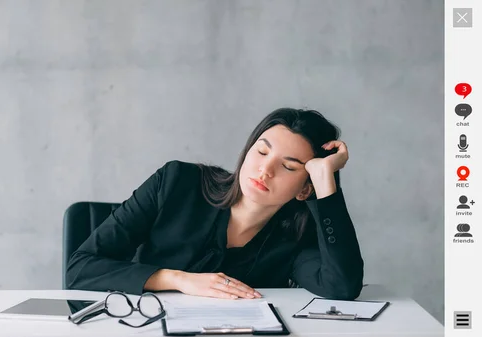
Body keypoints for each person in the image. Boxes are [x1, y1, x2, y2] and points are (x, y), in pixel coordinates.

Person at [66, 107, 364, 301]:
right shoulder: (176, 183)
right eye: (261, 152)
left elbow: (341, 287)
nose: (265, 171)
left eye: (288, 167)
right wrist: (177, 280)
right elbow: (80, 268)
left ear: (304, 189)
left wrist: (325, 181)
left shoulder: (296, 238)